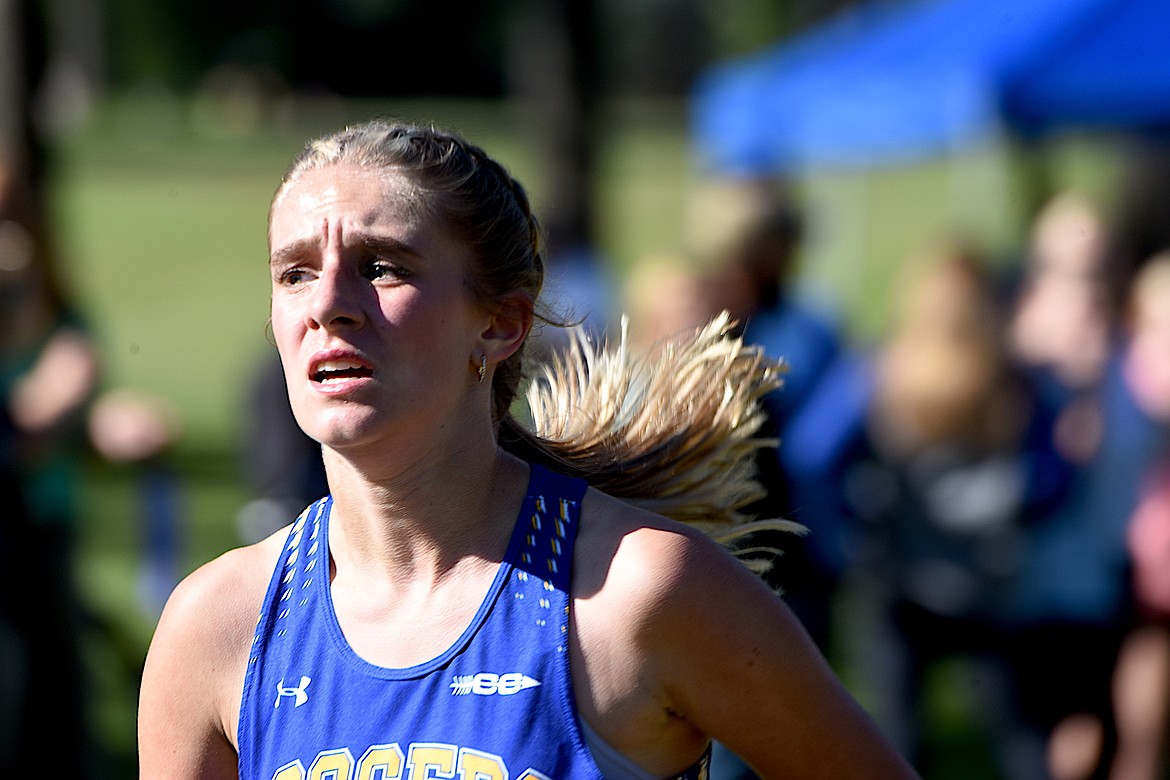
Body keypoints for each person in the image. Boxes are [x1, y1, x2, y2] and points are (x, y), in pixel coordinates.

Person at [137, 119, 918, 779]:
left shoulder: (636, 595)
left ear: (502, 323)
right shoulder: (220, 625)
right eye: (295, 273)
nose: (329, 306)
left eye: (382, 267)